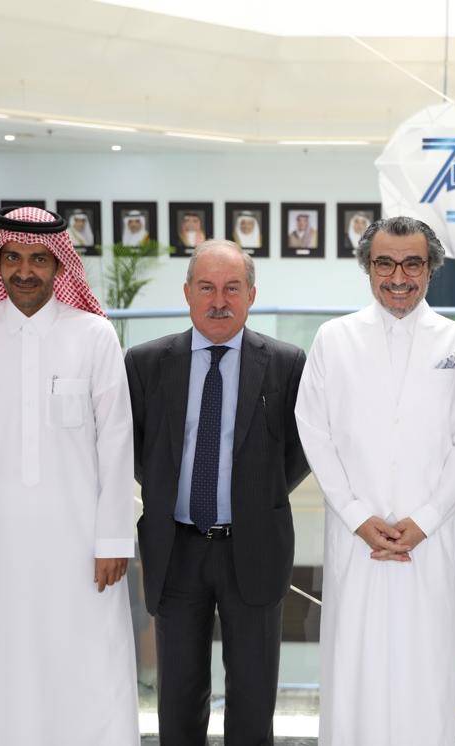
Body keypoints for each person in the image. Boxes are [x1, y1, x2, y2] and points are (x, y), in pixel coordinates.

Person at [0, 206, 138, 746]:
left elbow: (116, 443)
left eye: (39, 259)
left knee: (82, 663)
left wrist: (113, 537)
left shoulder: (93, 335)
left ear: (58, 265)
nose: (26, 271)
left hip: (78, 544)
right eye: (14, 258)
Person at [295, 216, 455, 745]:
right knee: (354, 665)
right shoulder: (334, 339)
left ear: (431, 269)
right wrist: (359, 516)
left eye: (412, 263)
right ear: (368, 267)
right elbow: (315, 434)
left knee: (426, 668)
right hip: (355, 538)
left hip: (431, 539)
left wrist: (424, 521)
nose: (398, 276)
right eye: (385, 263)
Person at [125, 239, 309, 745]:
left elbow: (300, 451)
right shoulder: (144, 363)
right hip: (175, 549)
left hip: (254, 546)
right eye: (206, 287)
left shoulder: (287, 363)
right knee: (179, 696)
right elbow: (140, 452)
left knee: (253, 696)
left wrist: (257, 498)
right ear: (187, 292)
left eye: (232, 288)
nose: (219, 300)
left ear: (251, 294)